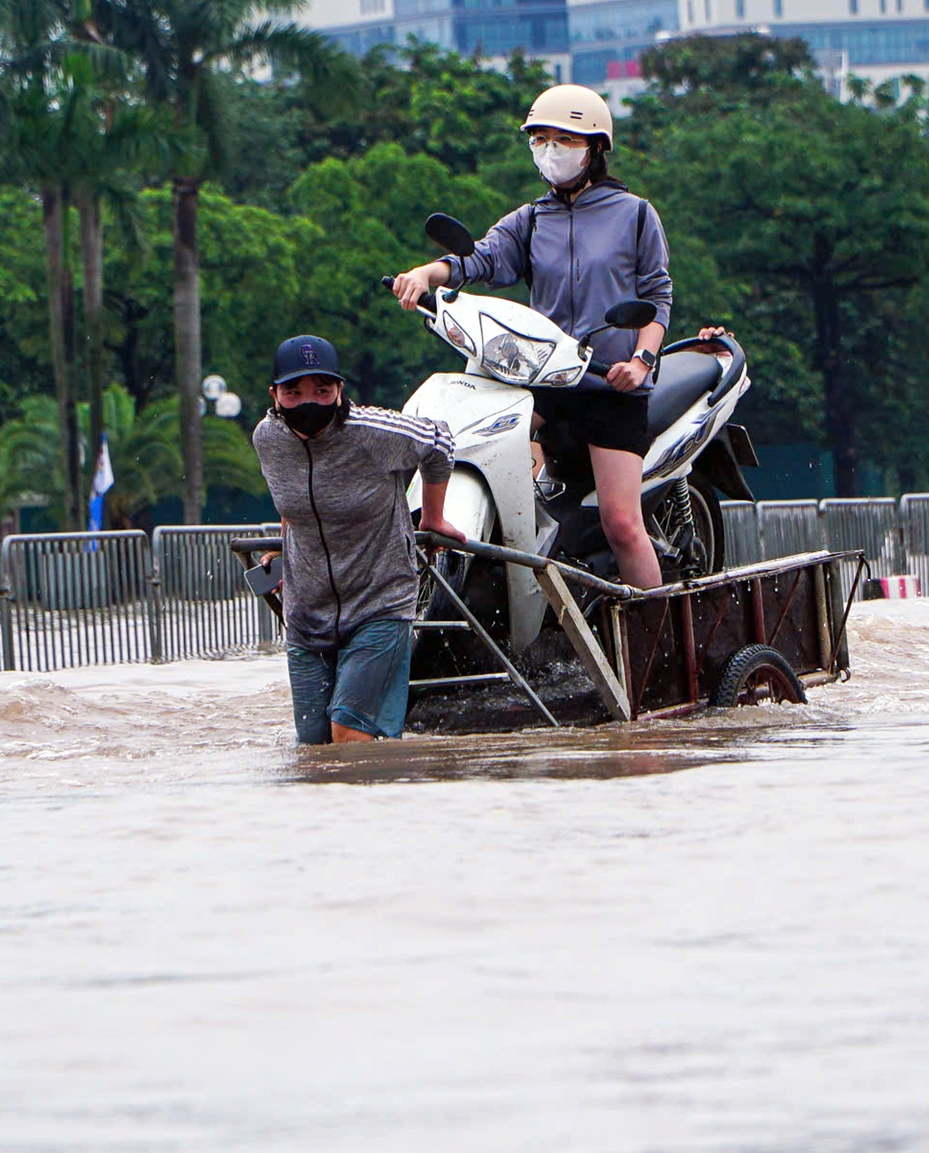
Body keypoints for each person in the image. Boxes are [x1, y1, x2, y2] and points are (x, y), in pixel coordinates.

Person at [390, 85, 675, 590]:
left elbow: (657, 298)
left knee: (623, 524)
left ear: (595, 148)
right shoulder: (531, 218)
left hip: (610, 384)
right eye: (540, 139)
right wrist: (427, 273)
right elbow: (480, 258)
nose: (551, 149)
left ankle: (660, 643)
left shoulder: (635, 214)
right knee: (473, 439)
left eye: (564, 138)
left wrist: (642, 361)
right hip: (546, 377)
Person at [250, 334, 463, 745]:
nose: (308, 402)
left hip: (378, 601)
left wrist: (433, 517)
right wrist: (280, 550)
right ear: (274, 394)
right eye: (294, 392)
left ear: (340, 390)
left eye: (322, 390)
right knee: (313, 748)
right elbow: (292, 499)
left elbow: (439, 442)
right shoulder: (268, 438)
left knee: (348, 735)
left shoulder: (370, 432)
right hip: (307, 612)